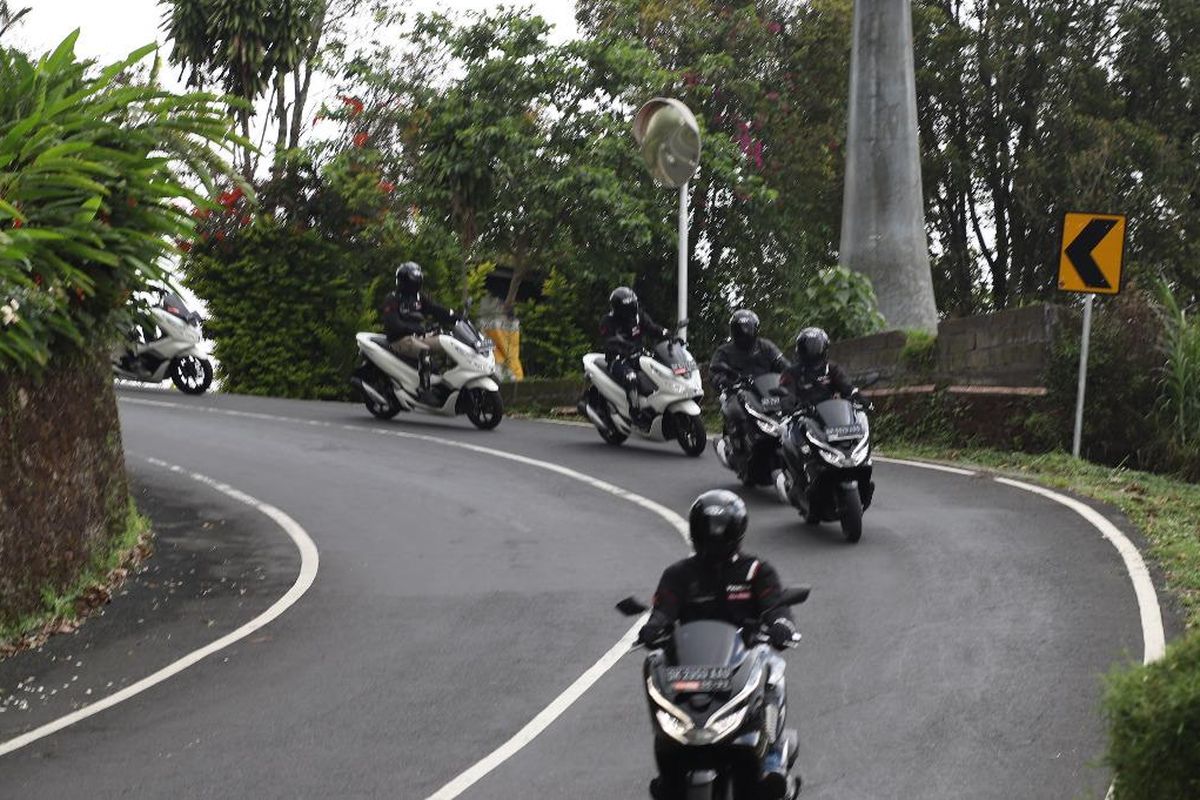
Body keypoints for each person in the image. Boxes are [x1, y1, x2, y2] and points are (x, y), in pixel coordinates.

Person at [638, 490, 802, 800]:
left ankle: (771, 762)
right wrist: (652, 627)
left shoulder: (756, 571)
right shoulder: (678, 575)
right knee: (654, 666)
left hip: (745, 660)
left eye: (721, 530)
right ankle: (670, 772)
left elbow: (774, 605)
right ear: (697, 531)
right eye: (708, 530)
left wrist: (782, 625)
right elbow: (664, 609)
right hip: (692, 667)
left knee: (774, 672)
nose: (715, 537)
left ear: (736, 531)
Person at [709, 309, 790, 447]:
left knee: (790, 407)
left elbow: (783, 364)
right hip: (737, 392)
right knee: (735, 412)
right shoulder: (724, 351)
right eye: (739, 330)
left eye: (748, 329)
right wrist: (723, 381)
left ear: (756, 329)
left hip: (766, 390)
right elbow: (714, 372)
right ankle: (737, 444)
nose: (744, 333)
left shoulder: (766, 346)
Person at [598, 286, 670, 425]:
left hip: (639, 356)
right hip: (618, 359)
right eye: (628, 306)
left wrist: (668, 334)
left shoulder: (638, 316)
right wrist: (622, 347)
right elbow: (608, 341)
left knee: (660, 371)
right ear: (619, 308)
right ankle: (635, 411)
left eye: (633, 304)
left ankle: (658, 406)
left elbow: (653, 328)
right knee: (631, 378)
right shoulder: (608, 321)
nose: (632, 308)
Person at [380, 262, 456, 392]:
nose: (416, 284)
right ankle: (424, 389)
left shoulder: (419, 298)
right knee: (424, 351)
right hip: (399, 339)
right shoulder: (392, 298)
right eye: (413, 281)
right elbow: (393, 323)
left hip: (418, 337)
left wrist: (454, 316)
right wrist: (413, 328)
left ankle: (447, 380)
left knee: (451, 343)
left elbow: (435, 309)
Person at [779, 326, 864, 408]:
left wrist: (856, 395)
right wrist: (789, 403)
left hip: (832, 416)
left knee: (859, 417)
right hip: (803, 418)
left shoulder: (831, 368)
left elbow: (847, 386)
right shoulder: (791, 372)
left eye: (816, 346)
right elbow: (787, 393)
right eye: (808, 347)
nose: (812, 350)